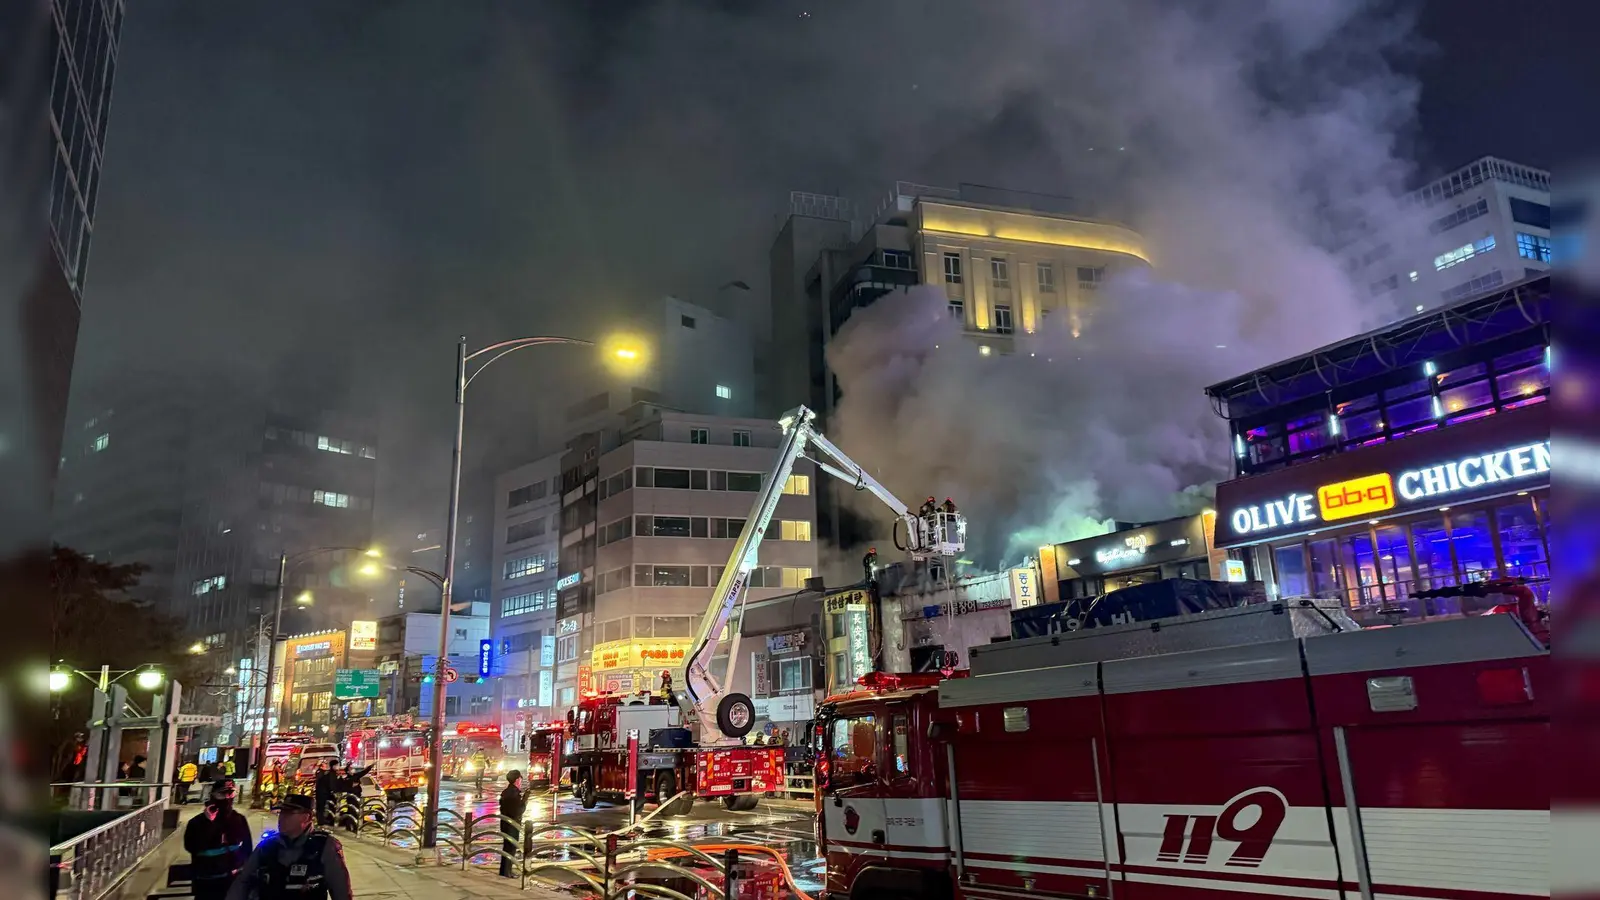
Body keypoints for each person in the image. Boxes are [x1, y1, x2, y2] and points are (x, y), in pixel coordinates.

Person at [225, 793, 352, 900]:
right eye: (281, 812)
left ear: (306, 817)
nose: (282, 818)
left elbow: (341, 891)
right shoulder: (267, 846)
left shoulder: (324, 846)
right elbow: (243, 882)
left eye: (289, 813)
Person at [185, 779, 252, 900]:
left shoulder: (239, 819)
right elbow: (193, 846)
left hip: (233, 881)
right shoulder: (197, 823)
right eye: (222, 794)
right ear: (213, 796)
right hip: (207, 883)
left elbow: (247, 849)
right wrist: (208, 823)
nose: (227, 798)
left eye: (230, 793)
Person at [497, 770, 526, 878]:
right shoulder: (514, 793)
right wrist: (524, 801)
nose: (521, 781)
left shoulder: (506, 792)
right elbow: (518, 811)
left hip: (505, 823)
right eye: (520, 779)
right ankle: (507, 872)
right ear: (517, 780)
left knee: (506, 847)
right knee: (511, 848)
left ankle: (504, 871)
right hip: (512, 825)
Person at [313, 762, 336, 827]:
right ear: (321, 766)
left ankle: (324, 819)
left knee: (323, 807)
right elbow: (320, 780)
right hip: (320, 792)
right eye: (324, 765)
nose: (326, 766)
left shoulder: (325, 772)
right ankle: (320, 821)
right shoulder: (320, 772)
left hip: (324, 792)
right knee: (320, 807)